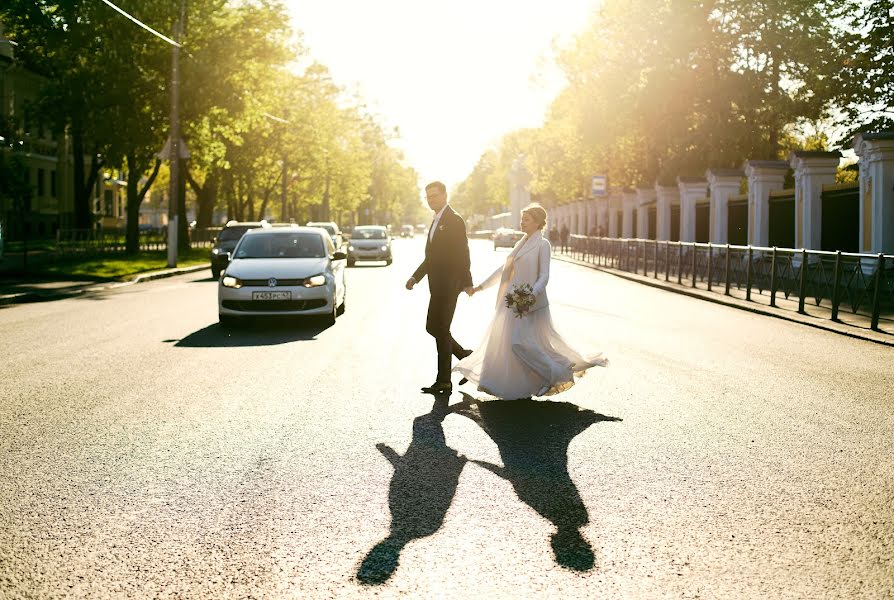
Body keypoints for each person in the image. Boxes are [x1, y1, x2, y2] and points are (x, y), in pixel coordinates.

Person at [454, 204, 607, 399]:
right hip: (511, 302)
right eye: (521, 218)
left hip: (531, 304)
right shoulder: (521, 243)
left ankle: (556, 374)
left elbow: (544, 276)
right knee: (508, 344)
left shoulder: (543, 245)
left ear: (537, 222)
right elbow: (504, 270)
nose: (522, 222)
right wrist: (480, 287)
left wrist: (529, 297)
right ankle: (513, 385)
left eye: (526, 219)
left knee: (522, 343)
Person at [406, 181, 474, 395]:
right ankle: (466, 356)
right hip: (436, 285)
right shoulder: (436, 220)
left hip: (449, 284)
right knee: (433, 327)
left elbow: (463, 252)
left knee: (440, 329)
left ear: (445, 195)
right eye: (428, 197)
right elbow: (431, 257)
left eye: (434, 196)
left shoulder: (454, 220)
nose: (431, 200)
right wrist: (415, 277)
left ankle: (444, 381)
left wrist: (467, 281)